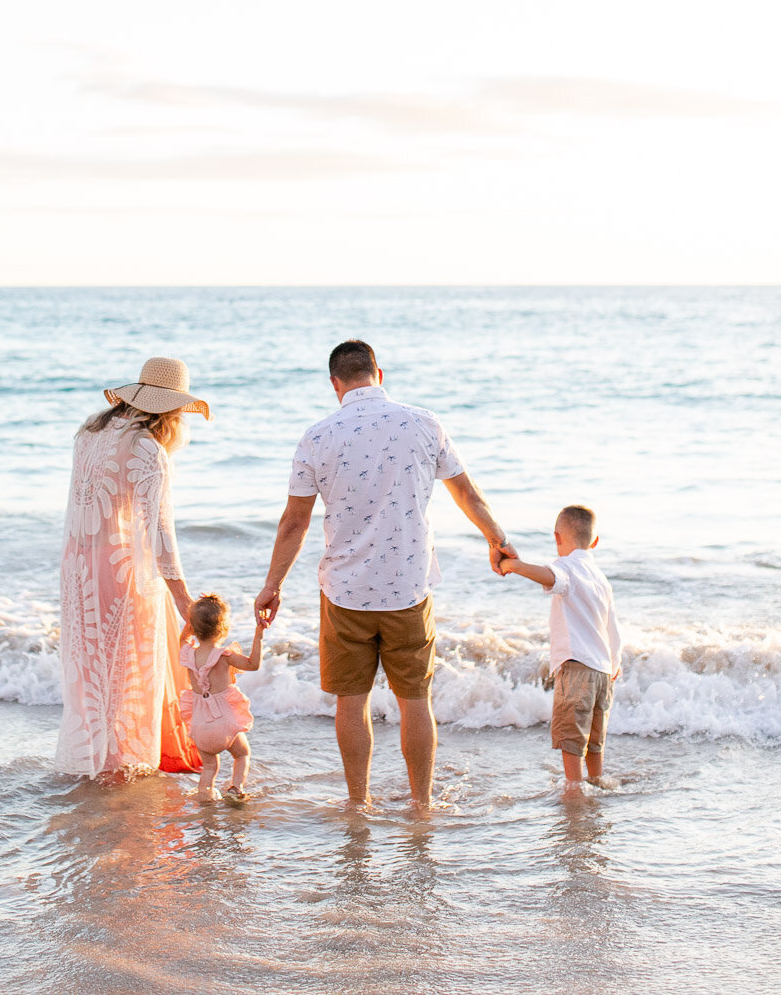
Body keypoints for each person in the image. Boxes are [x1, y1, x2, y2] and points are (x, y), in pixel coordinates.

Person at [254, 339, 515, 811]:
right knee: (415, 700)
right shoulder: (423, 423)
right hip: (408, 589)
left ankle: (359, 802)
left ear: (335, 384)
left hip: (345, 592)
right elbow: (467, 494)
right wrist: (497, 538)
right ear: (380, 373)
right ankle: (421, 805)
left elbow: (294, 522)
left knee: (350, 703)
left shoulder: (317, 436)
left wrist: (272, 586)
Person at [54, 356, 212, 779]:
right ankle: (120, 766)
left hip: (77, 564)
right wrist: (183, 599)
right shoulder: (148, 448)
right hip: (119, 570)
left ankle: (89, 761)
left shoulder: (92, 429)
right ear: (172, 410)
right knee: (125, 670)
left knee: (90, 671)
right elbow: (160, 532)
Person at [499, 504, 622, 785]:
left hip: (576, 665)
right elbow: (612, 627)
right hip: (603, 671)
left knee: (571, 736)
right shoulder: (601, 579)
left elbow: (554, 578)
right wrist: (615, 664)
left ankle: (574, 788)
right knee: (594, 736)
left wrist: (515, 566)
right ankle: (596, 779)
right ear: (595, 542)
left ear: (557, 537)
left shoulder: (566, 566)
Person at [179, 593, 264, 804]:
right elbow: (253, 664)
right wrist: (259, 634)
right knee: (242, 754)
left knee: (209, 767)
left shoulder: (187, 654)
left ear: (193, 628)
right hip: (223, 723)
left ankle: (205, 797)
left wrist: (189, 626)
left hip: (199, 725)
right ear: (223, 628)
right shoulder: (225, 656)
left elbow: (183, 640)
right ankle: (236, 789)